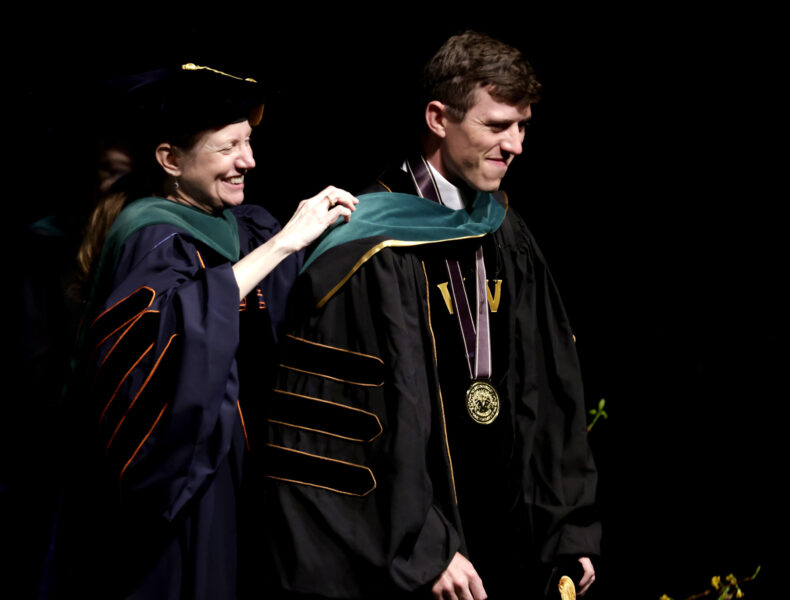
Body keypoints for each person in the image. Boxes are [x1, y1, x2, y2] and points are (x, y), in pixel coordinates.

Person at [262, 31, 600, 599]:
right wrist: (419, 544)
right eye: (496, 126)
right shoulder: (366, 245)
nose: (515, 145)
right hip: (418, 561)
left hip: (513, 536)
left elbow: (551, 388)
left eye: (522, 126)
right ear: (439, 118)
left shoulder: (506, 230)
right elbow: (332, 430)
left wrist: (566, 526)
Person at [42, 63, 357, 599]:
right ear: (170, 160)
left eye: (250, 142)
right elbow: (161, 343)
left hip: (247, 471)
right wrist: (284, 245)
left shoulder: (244, 224)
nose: (248, 161)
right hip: (186, 488)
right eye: (229, 146)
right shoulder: (150, 235)